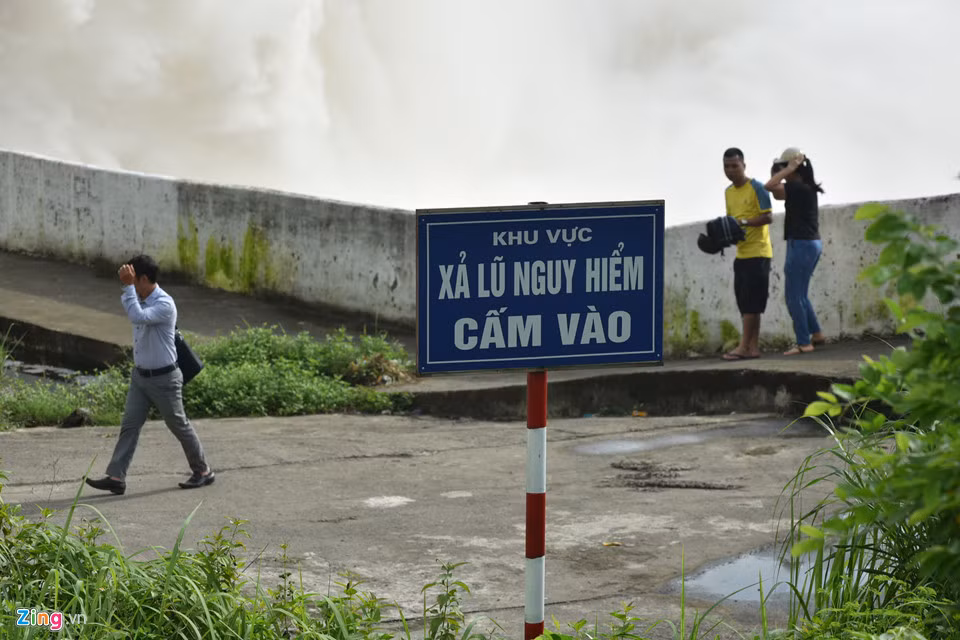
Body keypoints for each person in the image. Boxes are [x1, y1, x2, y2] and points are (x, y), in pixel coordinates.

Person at [85, 255, 214, 495]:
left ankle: (203, 471)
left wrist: (126, 287)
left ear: (143, 278)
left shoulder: (164, 304)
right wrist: (130, 289)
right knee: (129, 426)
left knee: (178, 425)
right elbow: (134, 311)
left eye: (133, 281)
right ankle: (116, 477)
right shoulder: (140, 298)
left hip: (164, 379)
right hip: (141, 377)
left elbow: (137, 317)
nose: (130, 286)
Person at [765, 147, 826, 355]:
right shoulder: (803, 187)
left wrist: (787, 169)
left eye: (785, 166)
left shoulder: (797, 187)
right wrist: (783, 169)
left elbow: (769, 186)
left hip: (801, 244)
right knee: (802, 295)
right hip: (810, 244)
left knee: (793, 296)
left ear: (793, 167)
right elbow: (776, 194)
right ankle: (816, 334)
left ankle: (803, 342)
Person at [721, 147, 774, 360]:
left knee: (752, 302)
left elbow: (768, 217)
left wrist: (743, 222)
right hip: (741, 254)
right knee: (746, 302)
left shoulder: (757, 188)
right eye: (726, 166)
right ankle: (752, 347)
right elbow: (731, 221)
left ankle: (743, 347)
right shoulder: (728, 192)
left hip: (759, 252)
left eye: (735, 166)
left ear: (744, 165)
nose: (731, 170)